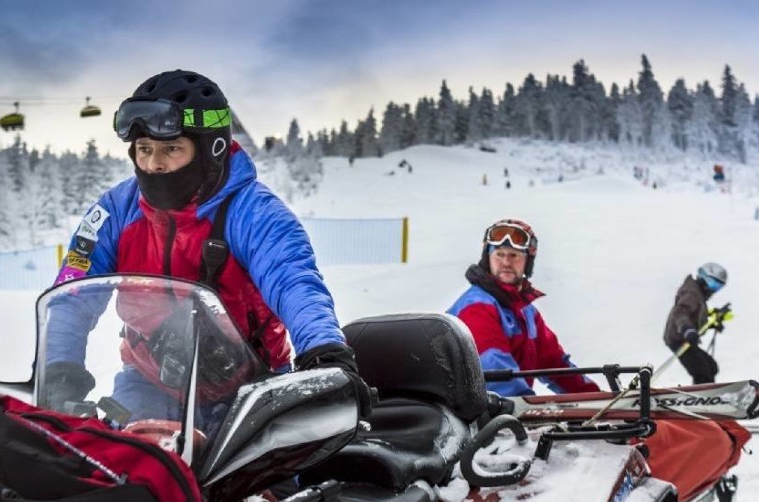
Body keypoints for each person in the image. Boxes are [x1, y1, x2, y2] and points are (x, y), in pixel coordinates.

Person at [47, 69, 373, 419]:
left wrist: (323, 352)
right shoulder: (115, 211)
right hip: (149, 384)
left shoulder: (256, 213)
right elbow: (73, 296)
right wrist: (59, 370)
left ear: (211, 149)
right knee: (118, 468)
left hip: (254, 389)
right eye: (144, 149)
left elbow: (295, 283)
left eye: (171, 149)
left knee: (272, 473)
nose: (154, 164)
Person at [447, 218, 600, 396]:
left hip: (500, 415)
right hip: (470, 416)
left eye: (514, 255)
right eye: (499, 254)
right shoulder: (477, 307)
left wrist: (597, 399)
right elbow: (496, 376)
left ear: (528, 261)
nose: (506, 262)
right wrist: (530, 412)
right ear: (487, 258)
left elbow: (555, 365)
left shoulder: (526, 313)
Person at [663, 262, 728, 384]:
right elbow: (680, 313)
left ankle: (706, 393)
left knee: (711, 367)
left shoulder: (698, 293)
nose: (713, 289)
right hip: (678, 339)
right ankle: (701, 398)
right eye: (713, 284)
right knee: (702, 371)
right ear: (704, 277)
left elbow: (696, 314)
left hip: (686, 339)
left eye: (718, 287)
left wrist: (713, 322)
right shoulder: (692, 293)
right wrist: (686, 329)